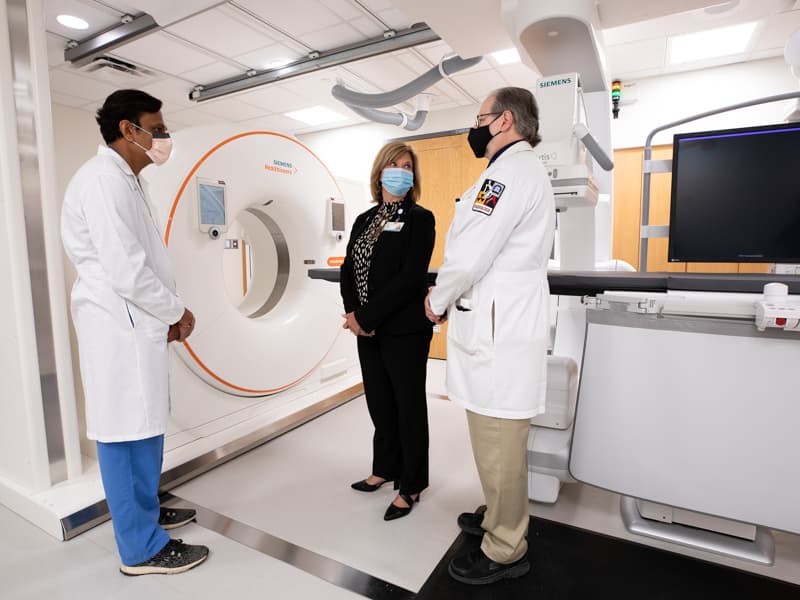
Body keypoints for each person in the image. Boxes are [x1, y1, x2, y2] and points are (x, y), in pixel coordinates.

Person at [61, 89, 209, 575]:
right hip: (117, 325)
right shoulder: (104, 180)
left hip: (134, 322)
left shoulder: (127, 179)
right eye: (158, 128)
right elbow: (126, 269)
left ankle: (144, 514)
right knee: (124, 432)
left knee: (144, 426)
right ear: (129, 129)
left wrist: (162, 313)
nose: (164, 138)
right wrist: (175, 312)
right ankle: (140, 547)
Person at [425, 87, 555, 584]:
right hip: (501, 323)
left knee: (499, 439)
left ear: (502, 121)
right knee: (494, 438)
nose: (474, 128)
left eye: (479, 119)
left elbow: (470, 254)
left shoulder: (506, 176)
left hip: (500, 331)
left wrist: (435, 302)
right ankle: (500, 518)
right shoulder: (514, 171)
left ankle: (506, 546)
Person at [340, 141, 436, 521]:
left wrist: (368, 317)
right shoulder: (364, 219)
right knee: (379, 402)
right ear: (380, 173)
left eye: (407, 165)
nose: (401, 170)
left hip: (403, 330)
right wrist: (352, 312)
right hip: (367, 329)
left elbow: (410, 277)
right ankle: (385, 468)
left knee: (408, 406)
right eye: (394, 164)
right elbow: (349, 268)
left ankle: (411, 484)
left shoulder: (419, 218)